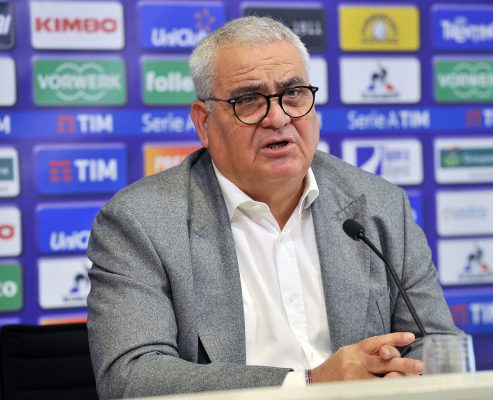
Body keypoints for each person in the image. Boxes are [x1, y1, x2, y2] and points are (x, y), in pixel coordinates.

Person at [86, 16, 459, 399]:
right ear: (204, 122)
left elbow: (439, 345)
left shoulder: (379, 205)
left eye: (293, 93)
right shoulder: (142, 222)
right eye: (248, 100)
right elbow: (130, 379)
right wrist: (309, 384)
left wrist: (401, 381)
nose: (278, 117)